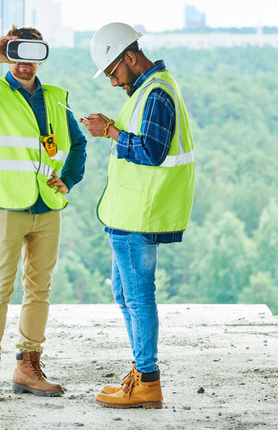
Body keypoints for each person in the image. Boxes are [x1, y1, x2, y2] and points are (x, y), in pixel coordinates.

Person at [0, 25, 87, 401]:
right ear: (10, 54)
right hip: (5, 207)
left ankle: (28, 367)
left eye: (33, 55)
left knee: (39, 290)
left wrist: (68, 179)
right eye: (18, 54)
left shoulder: (57, 99)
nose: (25, 64)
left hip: (47, 208)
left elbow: (78, 143)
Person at [80, 22, 195, 409]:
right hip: (129, 213)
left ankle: (147, 381)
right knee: (125, 294)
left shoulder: (156, 93)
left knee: (138, 297)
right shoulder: (149, 88)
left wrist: (109, 130)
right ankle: (140, 374)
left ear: (130, 57)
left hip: (139, 215)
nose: (113, 82)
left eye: (113, 72)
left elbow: (151, 151)